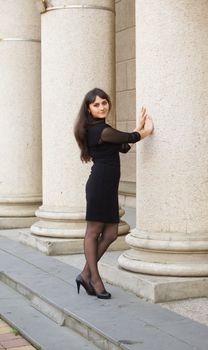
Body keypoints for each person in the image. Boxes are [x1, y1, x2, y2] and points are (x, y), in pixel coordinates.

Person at [74, 88, 154, 299]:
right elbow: (130, 137)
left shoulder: (104, 130)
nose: (101, 107)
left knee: (110, 233)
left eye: (104, 102)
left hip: (107, 187)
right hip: (99, 185)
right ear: (89, 109)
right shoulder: (99, 130)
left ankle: (84, 273)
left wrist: (138, 127)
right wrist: (146, 130)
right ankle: (95, 279)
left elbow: (124, 146)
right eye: (96, 104)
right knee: (93, 232)